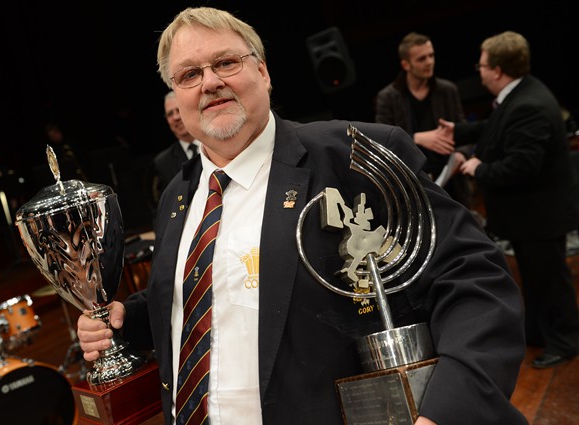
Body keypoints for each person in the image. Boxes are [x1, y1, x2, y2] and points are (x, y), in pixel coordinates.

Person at [77, 8, 528, 425]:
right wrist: (124, 319)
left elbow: (475, 281)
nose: (209, 82)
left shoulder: (355, 158)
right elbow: (213, 291)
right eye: (189, 74)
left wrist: (446, 412)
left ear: (263, 71)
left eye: (225, 63)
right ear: (176, 95)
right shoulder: (179, 194)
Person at [439, 31, 579, 370]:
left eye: (482, 65)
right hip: (531, 216)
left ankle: (565, 341)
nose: (480, 71)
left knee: (550, 282)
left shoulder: (528, 104)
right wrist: (459, 130)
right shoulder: (521, 94)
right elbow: (498, 125)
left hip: (540, 216)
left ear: (498, 70)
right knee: (534, 279)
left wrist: (479, 167)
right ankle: (540, 333)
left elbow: (523, 164)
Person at [376, 32, 472, 207]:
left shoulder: (447, 90)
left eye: (431, 55)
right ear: (406, 64)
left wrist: (461, 153)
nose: (429, 62)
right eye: (422, 59)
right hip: (413, 182)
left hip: (451, 181)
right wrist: (417, 138)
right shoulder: (388, 97)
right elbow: (381, 141)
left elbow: (462, 128)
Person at [146, 90, 200, 226]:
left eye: (178, 110)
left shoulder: (217, 145)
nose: (175, 117)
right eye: (170, 114)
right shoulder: (161, 163)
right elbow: (159, 211)